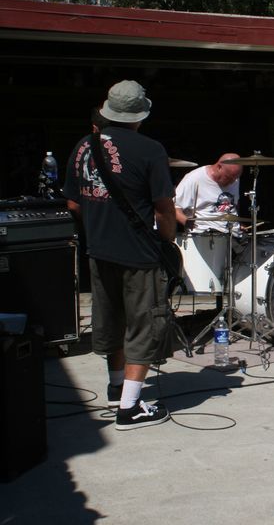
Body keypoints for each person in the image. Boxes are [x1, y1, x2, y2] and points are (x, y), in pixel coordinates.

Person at [63, 80, 175, 430]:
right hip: (138, 253)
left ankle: (116, 388)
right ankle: (130, 409)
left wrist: (100, 226)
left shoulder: (84, 145)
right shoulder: (150, 149)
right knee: (143, 325)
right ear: (140, 115)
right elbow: (163, 208)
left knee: (111, 320)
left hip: (99, 250)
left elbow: (72, 204)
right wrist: (167, 241)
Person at [174, 154, 243, 233]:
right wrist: (187, 222)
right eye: (228, 178)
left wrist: (239, 223)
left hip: (233, 233)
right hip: (205, 235)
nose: (232, 182)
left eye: (235, 178)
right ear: (219, 167)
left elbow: (234, 204)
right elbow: (174, 208)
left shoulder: (233, 177)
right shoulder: (194, 178)